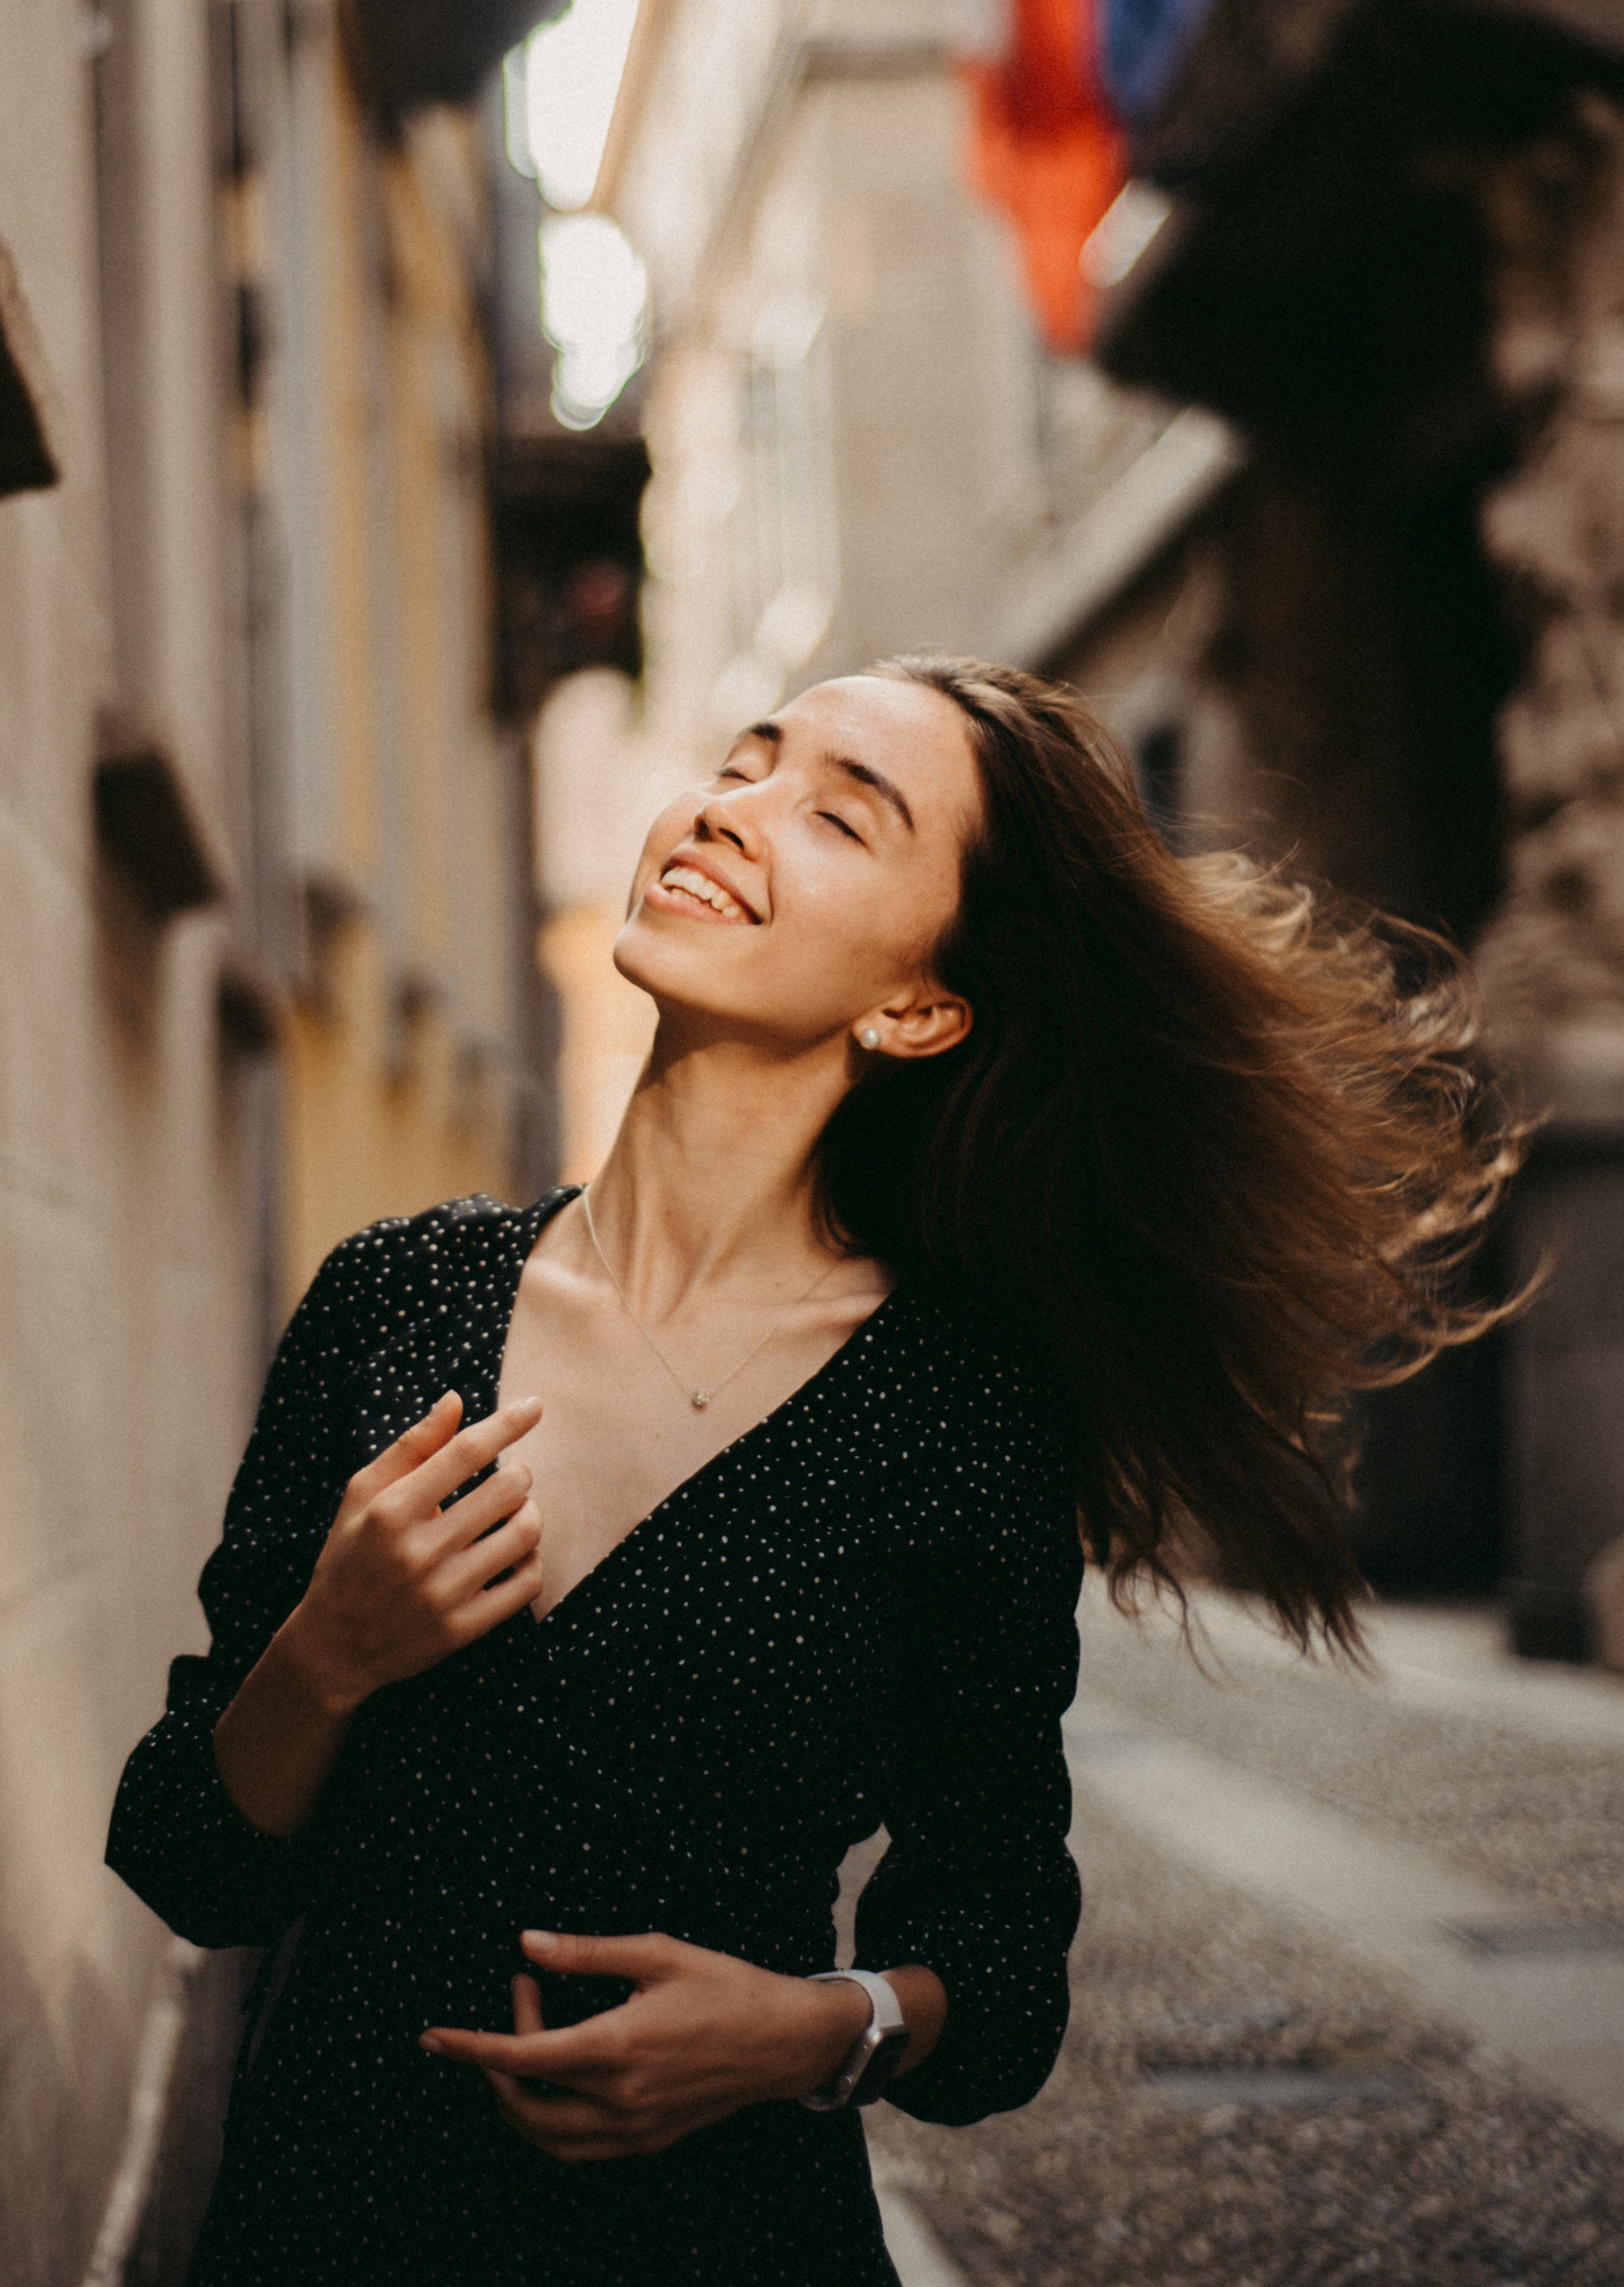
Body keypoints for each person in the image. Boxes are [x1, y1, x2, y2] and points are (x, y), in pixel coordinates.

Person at [107, 657, 1518, 2286]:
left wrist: (805, 2035)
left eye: (837, 816)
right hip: (329, 2219)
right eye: (743, 761)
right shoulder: (392, 1297)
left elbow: (994, 1970)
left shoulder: (955, 1411)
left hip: (722, 2239)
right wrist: (327, 1649)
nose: (730, 809)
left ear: (913, 1006)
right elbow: (184, 1859)